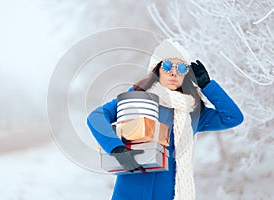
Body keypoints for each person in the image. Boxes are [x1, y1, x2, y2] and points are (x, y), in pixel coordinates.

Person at [87, 39, 244, 200]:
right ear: (157, 69)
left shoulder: (192, 113)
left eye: (181, 68)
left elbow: (232, 117)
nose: (173, 73)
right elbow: (96, 117)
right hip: (129, 193)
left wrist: (207, 85)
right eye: (167, 66)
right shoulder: (136, 99)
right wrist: (117, 149)